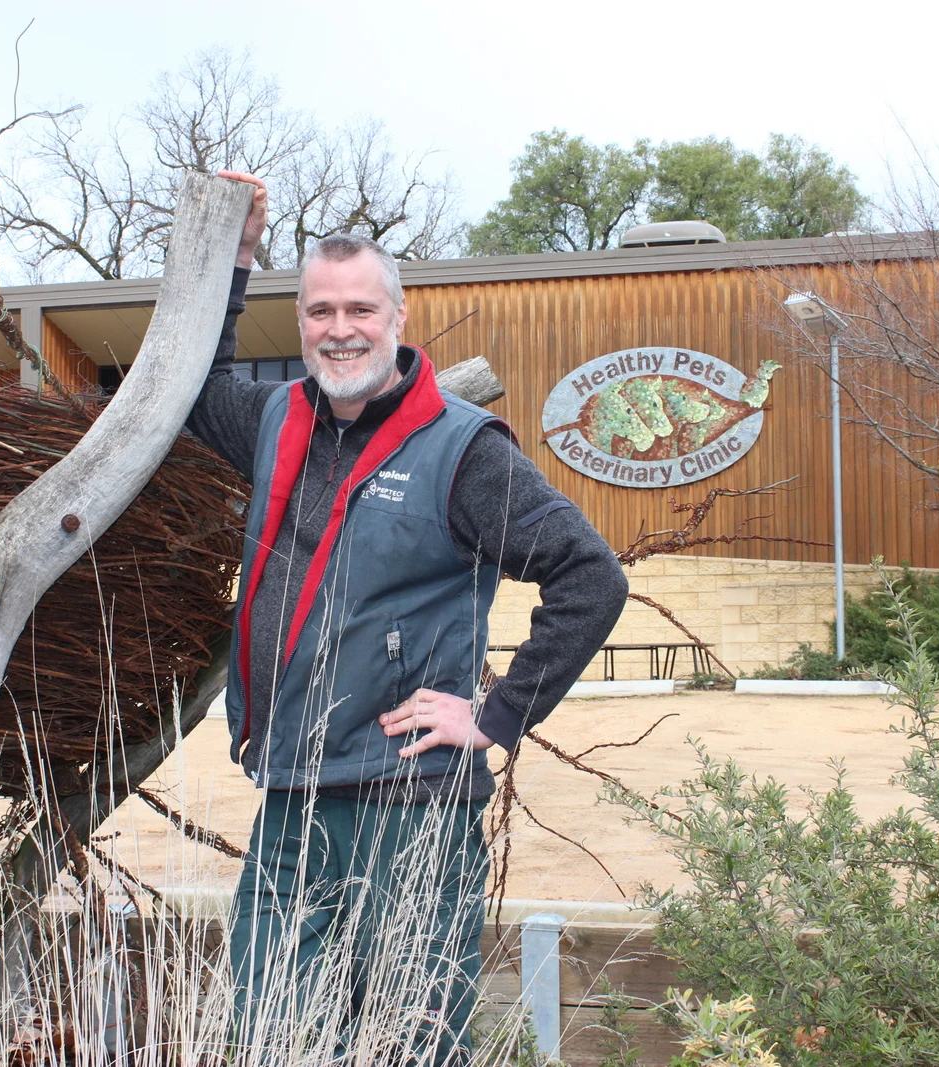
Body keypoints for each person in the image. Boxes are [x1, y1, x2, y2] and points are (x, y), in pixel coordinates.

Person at [184, 172, 628, 1065]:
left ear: (396, 317)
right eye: (318, 311)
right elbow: (193, 384)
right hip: (294, 798)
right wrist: (232, 259)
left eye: (358, 309)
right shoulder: (278, 419)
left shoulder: (461, 448)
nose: (339, 329)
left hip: (410, 810)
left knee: (410, 1045)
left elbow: (591, 577)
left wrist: (494, 715)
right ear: (300, 318)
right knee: (268, 1036)